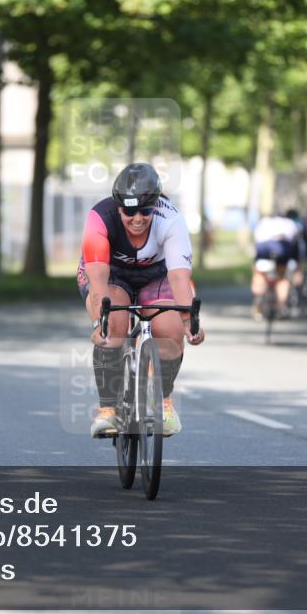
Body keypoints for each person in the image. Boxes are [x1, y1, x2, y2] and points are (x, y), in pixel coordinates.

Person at [77, 163, 206, 438]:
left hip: (155, 276)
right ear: (117, 207)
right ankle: (107, 410)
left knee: (170, 331)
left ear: (155, 206)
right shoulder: (100, 217)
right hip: (111, 274)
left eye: (145, 211)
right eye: (129, 211)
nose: (137, 218)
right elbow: (98, 280)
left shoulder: (170, 218)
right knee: (112, 326)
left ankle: (165, 402)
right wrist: (100, 321)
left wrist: (188, 324)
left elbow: (180, 279)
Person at [251, 211, 300, 320]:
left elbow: (256, 241)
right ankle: (281, 306)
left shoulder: (263, 222)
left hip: (264, 248)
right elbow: (296, 243)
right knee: (282, 278)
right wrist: (297, 265)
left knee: (259, 274)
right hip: (282, 248)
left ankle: (258, 301)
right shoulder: (290, 223)